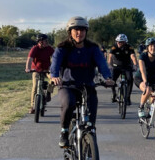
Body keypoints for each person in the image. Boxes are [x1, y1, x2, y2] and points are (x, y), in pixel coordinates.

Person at [49, 16, 115, 148]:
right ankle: (64, 131)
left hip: (87, 86)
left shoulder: (93, 48)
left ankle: (90, 132)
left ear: (86, 32)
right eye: (76, 30)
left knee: (92, 103)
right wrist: (54, 76)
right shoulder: (62, 48)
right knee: (69, 103)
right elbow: (55, 65)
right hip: (68, 86)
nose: (79, 33)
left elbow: (102, 64)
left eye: (83, 30)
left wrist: (108, 77)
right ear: (70, 32)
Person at [25, 33, 54, 114]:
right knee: (35, 86)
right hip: (36, 70)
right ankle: (33, 106)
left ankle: (48, 92)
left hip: (47, 69)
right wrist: (28, 68)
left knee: (53, 80)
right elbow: (30, 59)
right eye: (45, 41)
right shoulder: (35, 49)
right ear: (40, 41)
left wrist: (55, 68)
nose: (47, 42)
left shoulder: (49, 48)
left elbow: (55, 57)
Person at [107, 33, 138, 105]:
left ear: (125, 42)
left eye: (121, 42)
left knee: (130, 79)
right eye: (118, 42)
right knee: (112, 80)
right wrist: (110, 65)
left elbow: (133, 56)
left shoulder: (129, 47)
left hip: (127, 66)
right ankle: (114, 94)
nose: (119, 43)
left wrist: (135, 65)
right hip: (116, 66)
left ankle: (127, 97)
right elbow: (110, 57)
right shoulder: (114, 47)